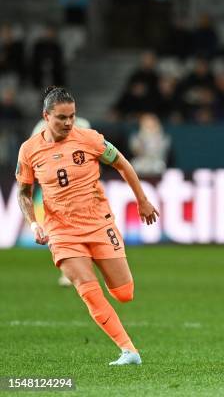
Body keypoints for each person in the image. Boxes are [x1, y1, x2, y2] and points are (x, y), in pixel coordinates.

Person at [16, 87, 160, 366]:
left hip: (98, 223)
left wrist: (142, 201)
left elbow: (123, 165)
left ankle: (101, 263)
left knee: (124, 294)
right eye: (61, 118)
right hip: (61, 230)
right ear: (46, 116)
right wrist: (34, 223)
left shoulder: (91, 139)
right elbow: (23, 192)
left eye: (72, 116)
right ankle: (128, 350)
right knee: (87, 288)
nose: (68, 123)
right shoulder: (29, 149)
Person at [31, 113, 92, 287]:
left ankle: (79, 270)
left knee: (79, 229)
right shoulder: (41, 127)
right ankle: (70, 272)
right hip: (53, 187)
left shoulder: (83, 124)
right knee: (58, 231)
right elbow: (33, 153)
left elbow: (91, 152)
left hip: (79, 186)